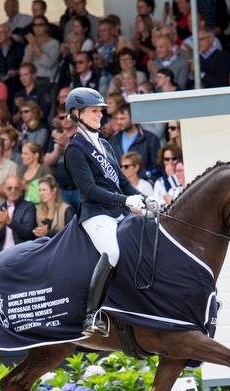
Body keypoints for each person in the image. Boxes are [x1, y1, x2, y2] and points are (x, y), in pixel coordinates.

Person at [63, 87, 156, 336]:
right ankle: (91, 315)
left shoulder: (104, 144)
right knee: (112, 252)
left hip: (117, 210)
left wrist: (146, 199)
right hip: (96, 215)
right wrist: (126, 202)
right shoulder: (75, 150)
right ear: (76, 113)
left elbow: (123, 183)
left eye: (100, 111)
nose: (100, 116)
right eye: (94, 111)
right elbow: (90, 190)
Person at [110, 103, 160, 180]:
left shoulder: (150, 139)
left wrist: (146, 179)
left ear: (133, 118)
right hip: (121, 188)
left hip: (144, 186)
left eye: (122, 119)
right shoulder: (113, 140)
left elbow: (157, 167)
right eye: (117, 119)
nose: (119, 122)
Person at [0, 175, 37, 252]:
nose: (13, 191)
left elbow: (27, 233)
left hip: (21, 253)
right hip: (3, 253)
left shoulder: (28, 206)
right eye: (9, 188)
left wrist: (9, 221)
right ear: (4, 189)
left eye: (16, 188)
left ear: (21, 189)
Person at [24, 15, 61, 80]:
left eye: (40, 25)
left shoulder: (54, 43)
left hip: (48, 79)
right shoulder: (29, 45)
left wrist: (36, 47)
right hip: (32, 80)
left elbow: (49, 63)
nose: (37, 27)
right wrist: (31, 50)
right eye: (34, 25)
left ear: (46, 27)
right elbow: (25, 67)